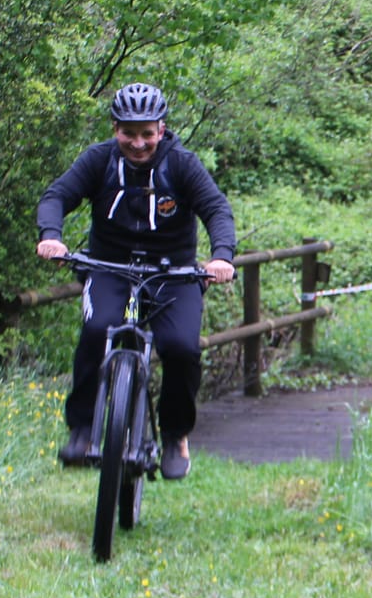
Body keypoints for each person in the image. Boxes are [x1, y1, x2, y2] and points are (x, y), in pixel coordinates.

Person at [36, 82, 237, 480]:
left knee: (180, 348)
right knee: (96, 330)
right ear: (115, 129)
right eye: (129, 133)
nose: (139, 143)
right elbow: (57, 195)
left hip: (173, 273)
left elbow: (216, 209)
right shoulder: (99, 161)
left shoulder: (181, 164)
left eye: (148, 133)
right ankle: (81, 427)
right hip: (110, 267)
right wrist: (51, 236)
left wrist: (221, 257)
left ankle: (175, 435)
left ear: (161, 130)